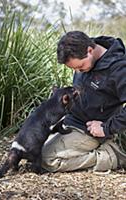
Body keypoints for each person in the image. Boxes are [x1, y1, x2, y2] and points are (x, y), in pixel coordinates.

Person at [41, 31, 126, 172]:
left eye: (80, 67)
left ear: (90, 51)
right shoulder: (82, 51)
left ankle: (114, 155)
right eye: (74, 69)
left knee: (47, 160)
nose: (78, 72)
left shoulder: (119, 69)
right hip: (70, 121)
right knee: (31, 151)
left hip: (91, 129)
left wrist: (106, 128)